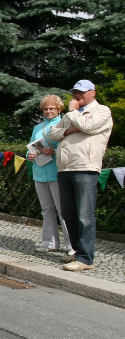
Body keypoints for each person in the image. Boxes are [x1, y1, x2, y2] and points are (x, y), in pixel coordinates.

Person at [49, 80, 113, 272]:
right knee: (68, 214)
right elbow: (53, 133)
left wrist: (73, 113)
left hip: (85, 167)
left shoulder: (102, 111)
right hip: (65, 168)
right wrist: (71, 129)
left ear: (92, 93)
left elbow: (89, 126)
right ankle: (77, 251)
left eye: (81, 92)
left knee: (85, 215)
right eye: (75, 92)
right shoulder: (73, 115)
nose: (77, 96)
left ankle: (85, 258)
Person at [27, 95, 74, 255]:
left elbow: (69, 147)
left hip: (57, 173)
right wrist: (29, 155)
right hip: (39, 172)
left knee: (63, 210)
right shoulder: (37, 128)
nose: (48, 111)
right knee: (46, 209)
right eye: (46, 109)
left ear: (59, 109)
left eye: (52, 108)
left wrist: (53, 151)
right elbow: (31, 147)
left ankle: (71, 245)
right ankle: (50, 243)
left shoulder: (64, 125)